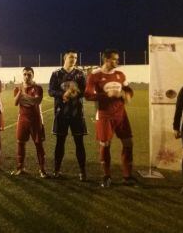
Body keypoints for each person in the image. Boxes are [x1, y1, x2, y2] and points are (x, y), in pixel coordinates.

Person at [85, 49, 134, 187]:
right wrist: (107, 95)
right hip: (104, 116)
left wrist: (126, 95)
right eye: (114, 59)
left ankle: (127, 176)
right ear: (106, 60)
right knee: (105, 145)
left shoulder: (120, 74)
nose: (117, 61)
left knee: (128, 143)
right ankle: (106, 176)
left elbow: (129, 91)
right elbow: (88, 95)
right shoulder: (94, 76)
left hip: (121, 115)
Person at [48, 50, 87, 181]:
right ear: (65, 58)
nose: (74, 59)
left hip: (77, 113)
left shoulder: (80, 74)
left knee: (79, 143)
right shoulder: (56, 74)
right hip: (61, 113)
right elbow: (50, 91)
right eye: (71, 57)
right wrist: (62, 94)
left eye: (76, 57)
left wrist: (76, 93)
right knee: (60, 143)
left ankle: (82, 171)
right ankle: (56, 170)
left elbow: (85, 91)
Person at [11, 67, 48, 178]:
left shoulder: (38, 88)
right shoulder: (18, 88)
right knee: (20, 143)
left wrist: (24, 97)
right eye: (25, 74)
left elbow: (36, 101)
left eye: (29, 74)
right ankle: (20, 168)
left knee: (38, 144)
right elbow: (16, 103)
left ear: (33, 75)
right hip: (22, 119)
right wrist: (20, 93)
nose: (27, 77)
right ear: (22, 75)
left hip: (36, 119)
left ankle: (42, 169)